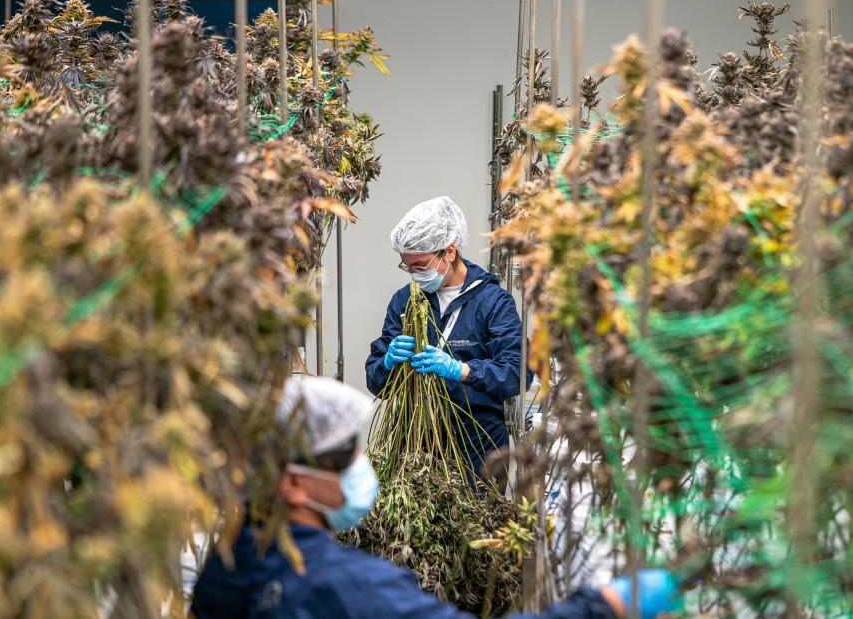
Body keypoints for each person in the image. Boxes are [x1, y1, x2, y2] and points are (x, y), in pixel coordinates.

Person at [190, 375, 680, 618]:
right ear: (290, 482)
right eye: (343, 456)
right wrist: (605, 605)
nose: (362, 463)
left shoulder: (228, 563)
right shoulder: (348, 586)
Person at [366, 196, 530, 477]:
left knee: (478, 518)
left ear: (449, 252)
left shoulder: (492, 302)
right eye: (407, 267)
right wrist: (387, 364)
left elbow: (518, 373)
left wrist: (461, 370)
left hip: (478, 447)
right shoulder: (406, 301)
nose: (414, 274)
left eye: (420, 265)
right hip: (418, 445)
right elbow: (378, 383)